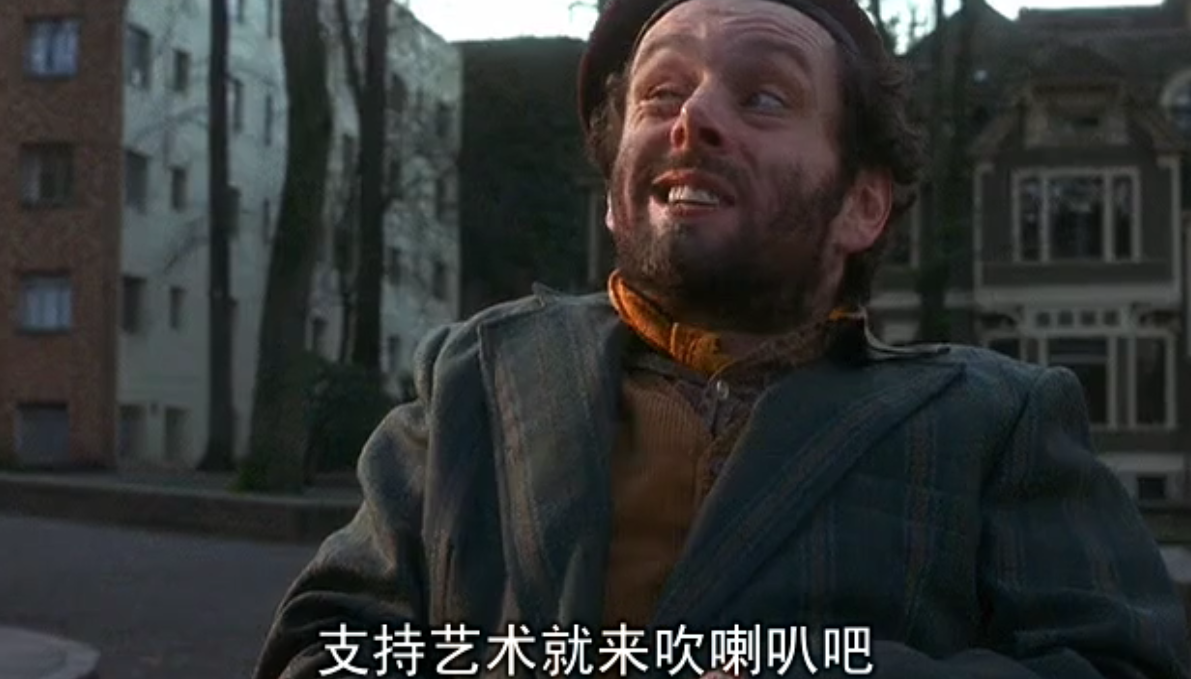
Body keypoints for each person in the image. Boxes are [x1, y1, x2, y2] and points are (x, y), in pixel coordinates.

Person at [251, 0, 1191, 676]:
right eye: (660, 94)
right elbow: (324, 644)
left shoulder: (994, 420)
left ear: (862, 204)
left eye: (765, 98)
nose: (693, 119)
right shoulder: (473, 381)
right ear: (616, 194)